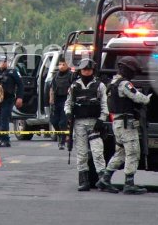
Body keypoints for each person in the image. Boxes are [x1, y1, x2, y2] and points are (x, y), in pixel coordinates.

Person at [96, 56, 151, 194]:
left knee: (120, 152)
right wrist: (147, 98)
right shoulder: (124, 84)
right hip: (127, 124)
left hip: (117, 123)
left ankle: (105, 178)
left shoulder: (112, 83)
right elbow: (138, 97)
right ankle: (129, 184)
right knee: (133, 152)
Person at [64, 58, 109, 192]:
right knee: (82, 153)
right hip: (79, 123)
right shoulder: (74, 86)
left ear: (93, 70)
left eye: (89, 69)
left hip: (94, 123)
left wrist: (102, 118)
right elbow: (68, 103)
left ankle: (103, 179)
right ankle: (84, 181)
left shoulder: (99, 85)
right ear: (80, 71)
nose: (86, 72)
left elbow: (104, 103)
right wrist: (68, 113)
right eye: (84, 69)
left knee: (97, 151)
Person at [0, 56, 23, 147]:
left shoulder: (13, 72)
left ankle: (5, 139)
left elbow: (20, 85)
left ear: (8, 62)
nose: (3, 63)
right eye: (1, 61)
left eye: (5, 61)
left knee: (4, 118)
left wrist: (19, 97)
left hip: (8, 99)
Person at [49, 57, 74, 150]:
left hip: (66, 100)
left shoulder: (71, 75)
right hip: (56, 100)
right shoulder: (56, 76)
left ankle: (62, 141)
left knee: (63, 122)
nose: (61, 66)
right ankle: (60, 135)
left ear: (67, 65)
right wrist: (51, 101)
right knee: (54, 121)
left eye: (64, 64)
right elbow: (51, 88)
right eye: (60, 64)